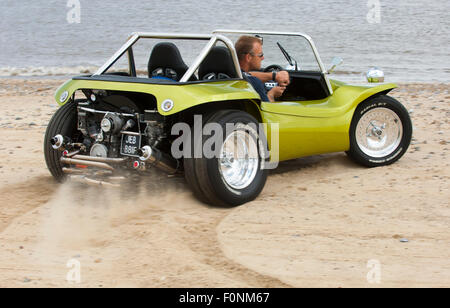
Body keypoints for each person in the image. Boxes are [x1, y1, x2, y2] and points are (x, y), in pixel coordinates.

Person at [235, 35, 290, 102]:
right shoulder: (254, 83)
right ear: (248, 57)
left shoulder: (230, 74)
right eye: (260, 55)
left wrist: (274, 76)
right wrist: (271, 94)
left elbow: (246, 74)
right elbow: (268, 111)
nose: (263, 58)